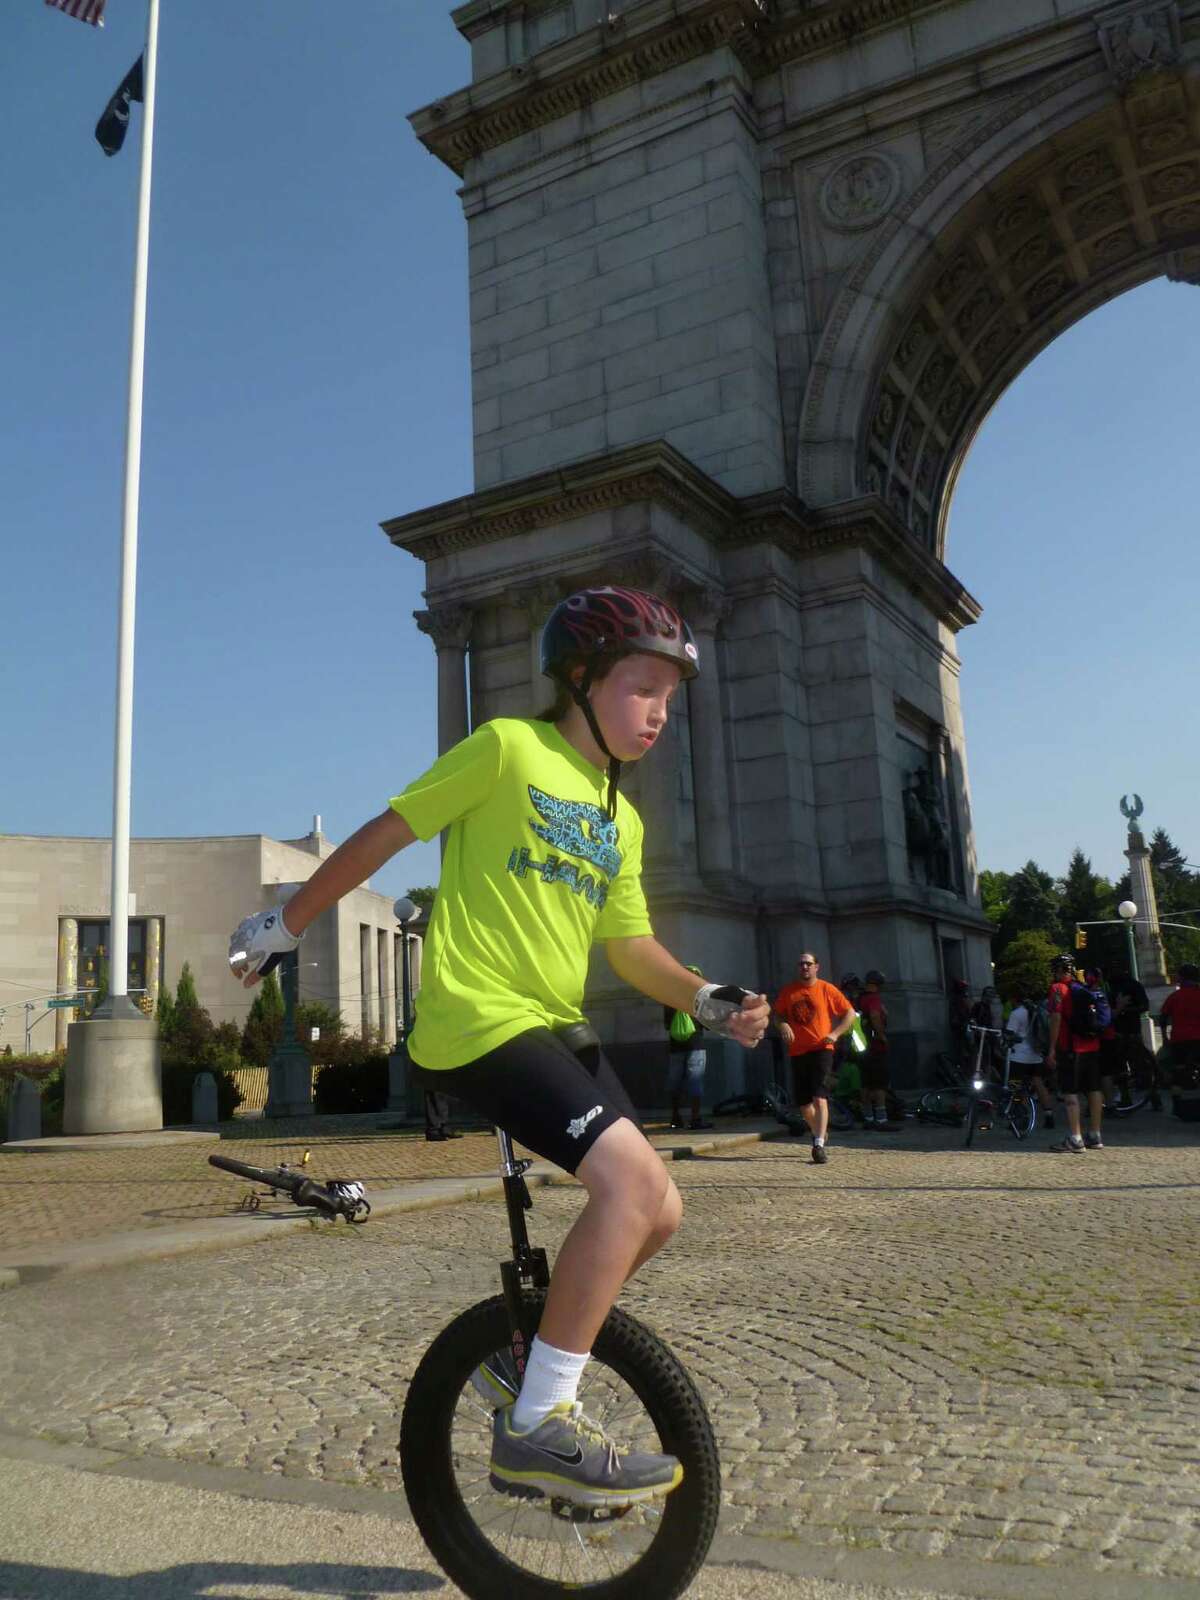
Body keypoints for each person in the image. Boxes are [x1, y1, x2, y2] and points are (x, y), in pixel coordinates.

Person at [227, 585, 769, 1511]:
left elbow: (629, 946)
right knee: (631, 1186)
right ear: (584, 679)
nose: (659, 715)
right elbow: (389, 833)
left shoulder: (619, 817)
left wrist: (710, 1000)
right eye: (643, 689)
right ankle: (538, 1427)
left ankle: (527, 1362)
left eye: (670, 701)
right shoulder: (509, 749)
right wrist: (288, 919)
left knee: (661, 1207)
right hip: (477, 1018)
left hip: (555, 1023)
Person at [772, 955, 855, 1164]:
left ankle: (818, 1144)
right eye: (801, 963)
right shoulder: (788, 991)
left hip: (822, 1049)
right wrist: (782, 1025)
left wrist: (835, 1034)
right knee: (804, 1105)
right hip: (797, 1051)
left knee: (820, 1097)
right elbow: (778, 1015)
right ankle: (820, 1131)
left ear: (817, 967)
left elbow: (849, 1013)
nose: (805, 966)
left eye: (809, 963)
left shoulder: (826, 989)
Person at [1045, 955, 1108, 1152]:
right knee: (1093, 1089)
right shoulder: (1085, 988)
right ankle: (1095, 1135)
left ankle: (1075, 1138)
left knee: (1070, 1093)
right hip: (1092, 1046)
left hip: (1070, 1047)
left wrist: (1052, 1048)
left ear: (1057, 970)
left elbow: (1055, 1018)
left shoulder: (1058, 989)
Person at [663, 965, 711, 1130]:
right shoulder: (700, 998)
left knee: (674, 1082)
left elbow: (667, 1025)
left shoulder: (669, 997)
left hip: (675, 1046)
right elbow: (708, 1023)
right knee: (695, 1081)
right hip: (695, 1044)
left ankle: (675, 1118)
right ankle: (695, 1119)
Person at [1005, 988, 1054, 1127]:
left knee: (1016, 1086)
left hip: (1019, 1057)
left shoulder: (1016, 1014)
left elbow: (1010, 1034)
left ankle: (1020, 1116)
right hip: (1036, 1056)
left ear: (1015, 999)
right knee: (1039, 1084)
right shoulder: (1039, 1011)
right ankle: (1049, 1114)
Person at [857, 970, 894, 1129]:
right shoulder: (873, 998)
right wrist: (881, 1035)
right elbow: (874, 1016)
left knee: (866, 1083)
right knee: (879, 1085)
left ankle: (868, 1118)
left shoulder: (859, 999)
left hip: (860, 1046)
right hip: (875, 1046)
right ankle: (881, 1120)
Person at [1161, 963, 1200, 1086]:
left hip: (1179, 1039)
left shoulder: (1174, 997)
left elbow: (1163, 1018)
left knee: (1179, 1071)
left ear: (1181, 978)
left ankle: (1179, 1101)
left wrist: (1164, 1037)